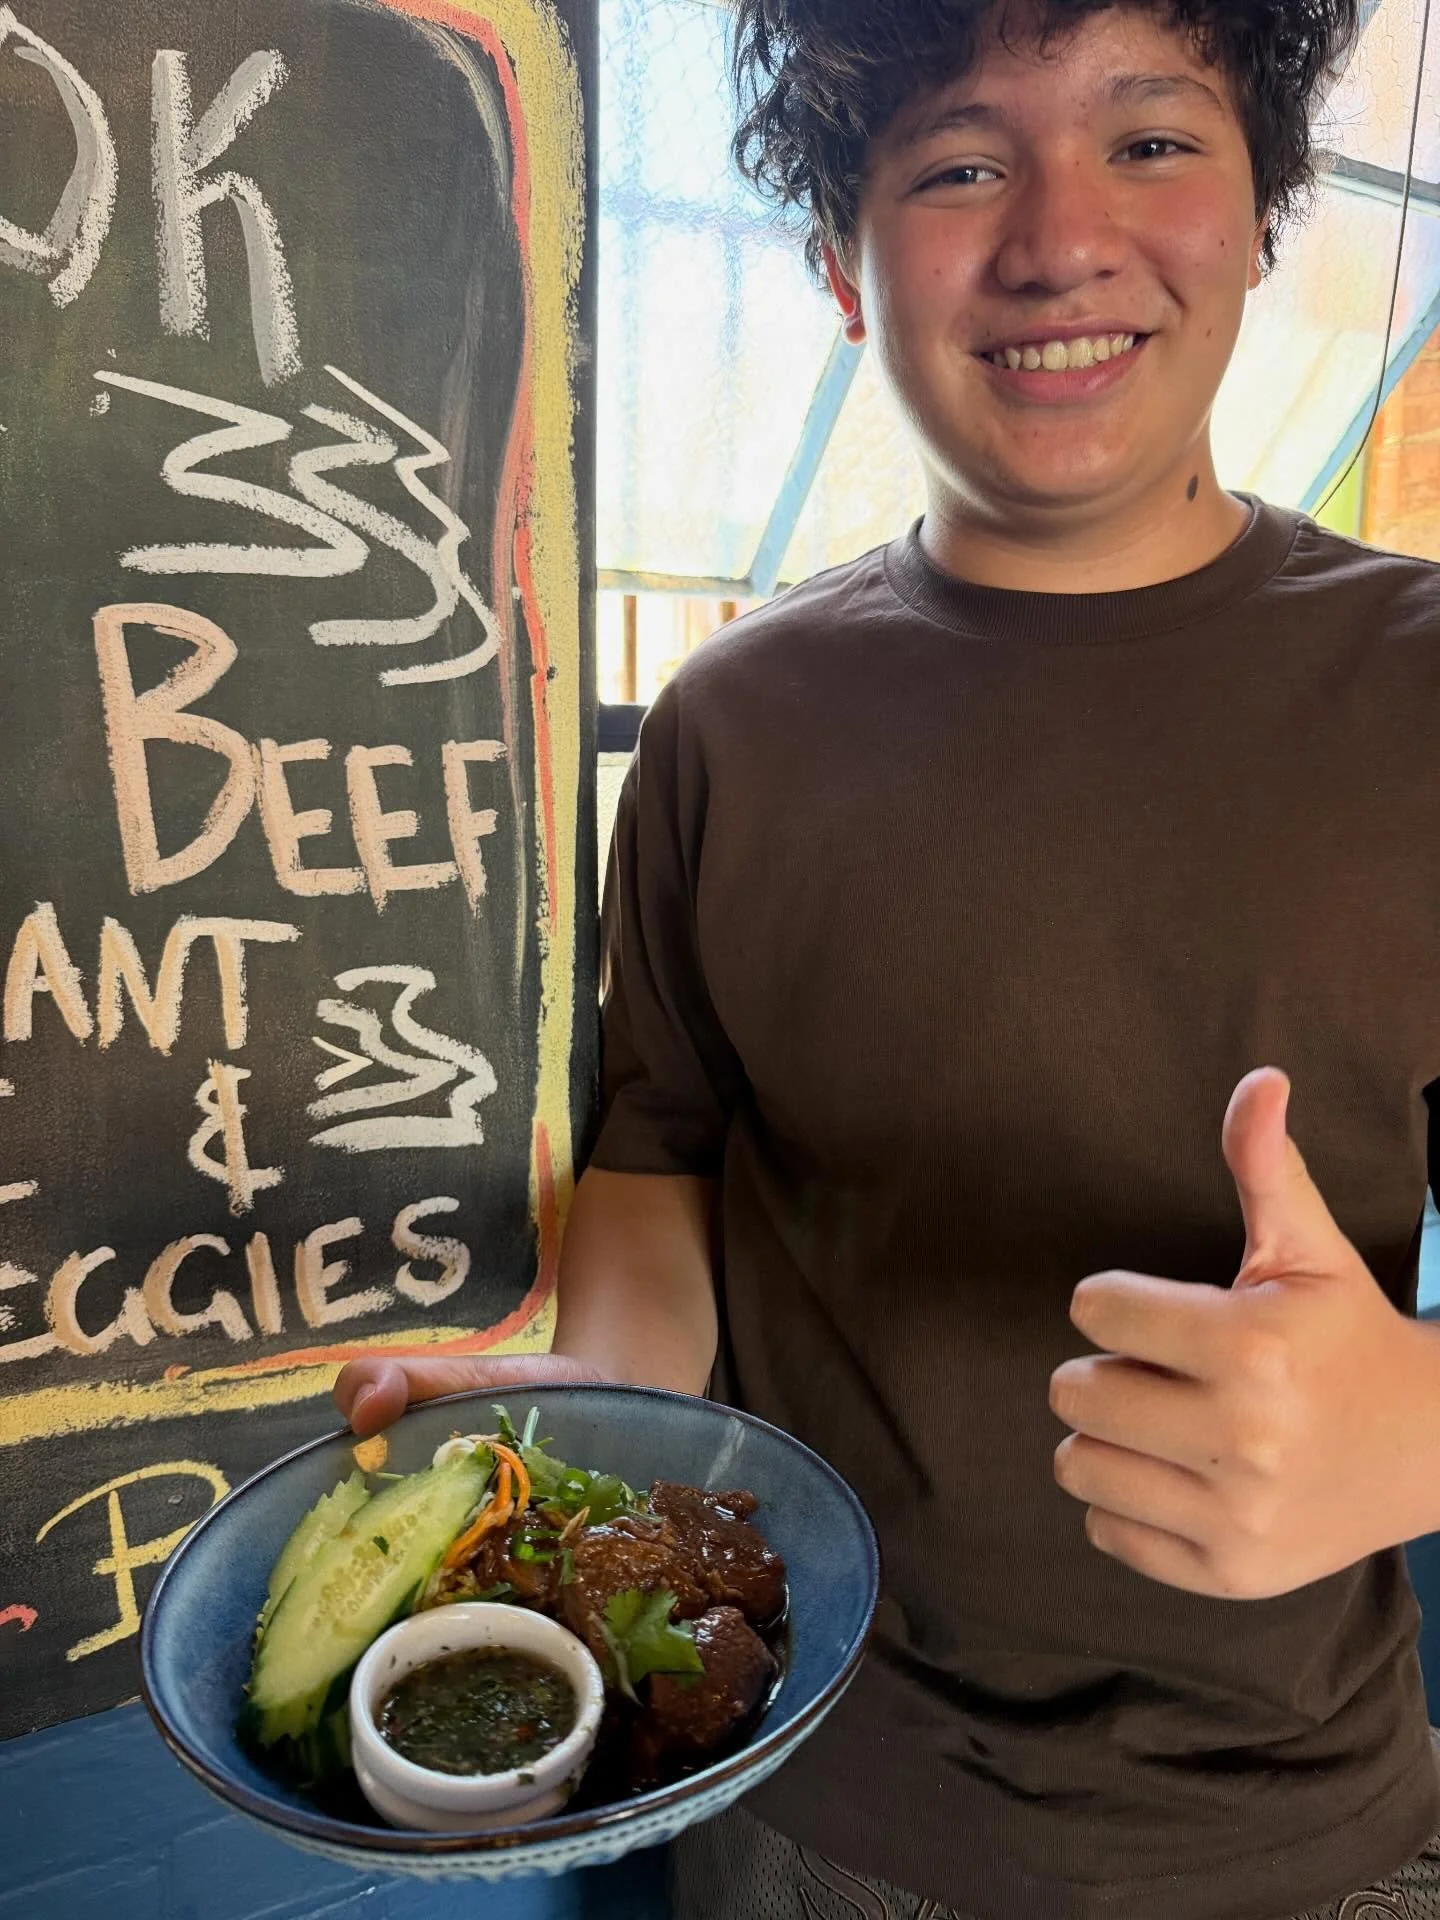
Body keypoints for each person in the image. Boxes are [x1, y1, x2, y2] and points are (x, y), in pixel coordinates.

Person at [336, 1, 1440, 1913]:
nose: (1058, 236)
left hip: (1305, 1832)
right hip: (793, 1799)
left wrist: (1420, 1431)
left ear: (1270, 211)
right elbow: (663, 1163)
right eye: (957, 163)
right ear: (844, 268)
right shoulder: (729, 723)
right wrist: (584, 1430)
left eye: (1154, 140)